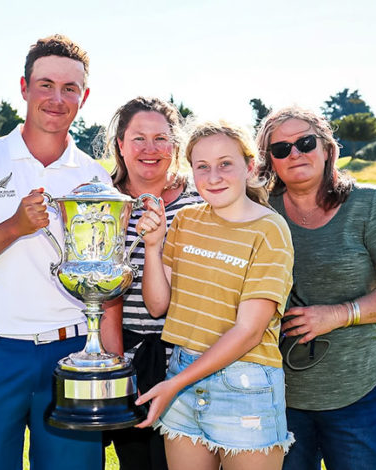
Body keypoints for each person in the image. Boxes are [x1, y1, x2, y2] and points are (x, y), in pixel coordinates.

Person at [0, 34, 109, 470]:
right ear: (24, 88)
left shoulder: (95, 178)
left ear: (84, 96)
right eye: (46, 85)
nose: (57, 98)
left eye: (70, 88)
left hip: (71, 354)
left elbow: (102, 283)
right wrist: (15, 226)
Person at [255, 106, 376, 470]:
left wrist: (339, 315)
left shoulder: (367, 204)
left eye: (305, 142)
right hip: (274, 395)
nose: (295, 153)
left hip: (355, 395)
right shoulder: (258, 211)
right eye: (281, 149)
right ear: (269, 161)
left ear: (327, 148)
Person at [135, 121, 295, 470]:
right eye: (202, 167)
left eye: (225, 164)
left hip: (245, 384)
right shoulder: (187, 221)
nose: (213, 177)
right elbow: (157, 304)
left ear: (249, 167)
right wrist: (152, 246)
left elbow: (249, 331)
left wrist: (173, 384)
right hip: (183, 371)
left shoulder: (270, 230)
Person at [99, 96, 202, 470]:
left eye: (161, 138)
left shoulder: (200, 200)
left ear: (175, 145)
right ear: (120, 145)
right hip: (132, 359)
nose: (150, 149)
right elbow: (104, 294)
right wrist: (120, 373)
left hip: (193, 364)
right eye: (138, 138)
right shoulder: (104, 203)